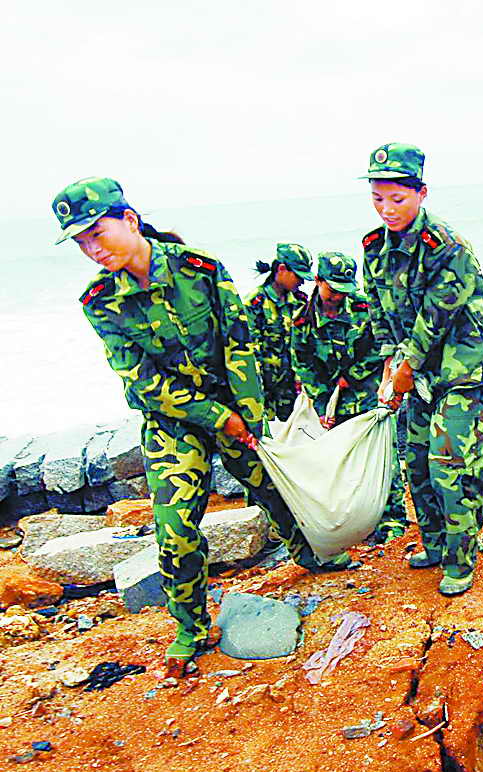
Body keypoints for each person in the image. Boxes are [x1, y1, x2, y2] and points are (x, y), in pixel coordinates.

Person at [52, 178, 353, 678]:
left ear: (129, 219)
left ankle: (312, 556)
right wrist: (217, 418)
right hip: (172, 422)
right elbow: (142, 382)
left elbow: (239, 342)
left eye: (96, 233)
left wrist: (248, 415)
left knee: (273, 489)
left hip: (234, 404)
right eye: (81, 242)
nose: (91, 249)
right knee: (174, 531)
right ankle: (190, 627)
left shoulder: (201, 269)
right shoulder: (99, 301)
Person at [359, 143, 483, 596]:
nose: (387, 209)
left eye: (397, 199)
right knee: (416, 463)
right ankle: (436, 546)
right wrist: (388, 364)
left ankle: (461, 562)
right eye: (379, 199)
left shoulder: (447, 247)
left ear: (421, 193)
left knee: (450, 466)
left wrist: (404, 370)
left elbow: (434, 321)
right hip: (415, 373)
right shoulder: (374, 250)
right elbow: (380, 313)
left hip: (460, 370)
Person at [291, 250, 410, 541]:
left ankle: (393, 520)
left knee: (384, 457)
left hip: (369, 392)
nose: (338, 297)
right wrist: (321, 405)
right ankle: (357, 518)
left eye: (343, 291)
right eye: (333, 290)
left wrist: (352, 376)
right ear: (318, 281)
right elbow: (302, 364)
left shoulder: (364, 308)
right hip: (334, 401)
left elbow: (382, 345)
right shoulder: (301, 321)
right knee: (346, 460)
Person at [245, 243, 312, 422]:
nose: (302, 282)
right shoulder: (255, 304)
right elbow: (249, 349)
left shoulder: (300, 303)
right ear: (282, 269)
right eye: (298, 276)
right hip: (265, 390)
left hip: (292, 390)